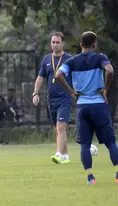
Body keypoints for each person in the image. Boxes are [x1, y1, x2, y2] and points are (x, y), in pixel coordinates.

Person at [55, 31, 118, 184]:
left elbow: (58, 75)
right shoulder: (100, 58)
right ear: (94, 44)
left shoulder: (72, 61)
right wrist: (105, 89)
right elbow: (110, 70)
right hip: (99, 104)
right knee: (110, 142)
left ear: (81, 44)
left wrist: (72, 92)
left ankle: (90, 178)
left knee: (85, 144)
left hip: (82, 106)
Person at [32, 32, 72, 164]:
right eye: (53, 42)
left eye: (58, 42)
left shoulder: (69, 60)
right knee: (58, 129)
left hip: (65, 98)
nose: (55, 45)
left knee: (61, 126)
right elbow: (40, 78)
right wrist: (35, 93)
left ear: (63, 43)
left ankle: (58, 154)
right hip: (51, 99)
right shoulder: (46, 60)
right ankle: (65, 156)